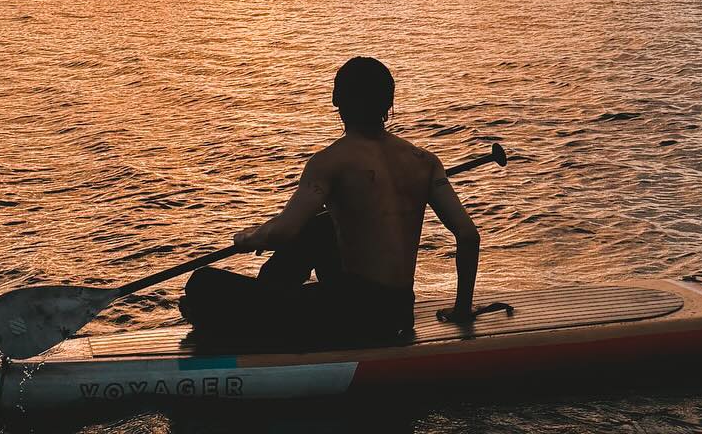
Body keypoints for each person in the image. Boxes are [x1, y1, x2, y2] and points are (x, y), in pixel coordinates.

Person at [178, 57, 481, 348]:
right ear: (389, 104)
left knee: (202, 285)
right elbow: (468, 236)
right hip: (399, 312)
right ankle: (269, 299)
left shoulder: (330, 162)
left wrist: (250, 237)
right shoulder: (425, 161)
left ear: (337, 99)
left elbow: (284, 232)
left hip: (352, 317)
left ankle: (261, 313)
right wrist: (461, 311)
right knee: (319, 227)